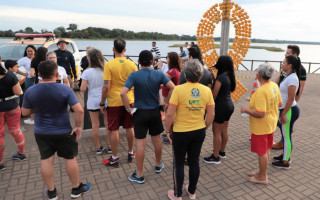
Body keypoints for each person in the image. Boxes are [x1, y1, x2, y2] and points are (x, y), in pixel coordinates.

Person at [21, 60, 91, 199]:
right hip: (63, 131)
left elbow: (24, 112)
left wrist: (37, 106)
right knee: (70, 158)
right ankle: (76, 188)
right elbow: (79, 110)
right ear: (57, 74)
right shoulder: (65, 89)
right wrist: (77, 126)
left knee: (46, 160)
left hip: (41, 132)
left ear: (39, 74)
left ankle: (52, 192)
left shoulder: (31, 90)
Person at [120, 50, 175, 184]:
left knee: (140, 143)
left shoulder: (134, 75)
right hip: (155, 112)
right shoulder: (158, 73)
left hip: (140, 113)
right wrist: (166, 102)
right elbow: (173, 87)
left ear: (138, 62)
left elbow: (123, 93)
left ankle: (139, 175)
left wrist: (129, 109)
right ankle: (157, 165)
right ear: (152, 62)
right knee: (156, 140)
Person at [165, 59, 214, 200]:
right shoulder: (206, 90)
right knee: (194, 162)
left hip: (180, 132)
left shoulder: (178, 89)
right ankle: (192, 192)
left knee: (179, 163)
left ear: (185, 74)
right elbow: (211, 114)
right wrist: (204, 127)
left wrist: (167, 131)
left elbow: (169, 114)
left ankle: (177, 194)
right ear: (200, 75)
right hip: (198, 131)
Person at [241, 63, 282, 184]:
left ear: (258, 75)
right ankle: (261, 172)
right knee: (267, 148)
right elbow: (279, 104)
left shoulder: (260, 91)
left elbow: (260, 113)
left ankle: (262, 177)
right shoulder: (274, 85)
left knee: (261, 152)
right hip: (271, 123)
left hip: (262, 126)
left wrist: (246, 110)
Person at [101, 39, 137, 167]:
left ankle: (115, 158)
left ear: (113, 49)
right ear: (125, 50)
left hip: (114, 101)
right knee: (129, 127)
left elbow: (106, 87)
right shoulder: (132, 64)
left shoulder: (109, 65)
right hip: (129, 100)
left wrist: (101, 103)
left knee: (114, 129)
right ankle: (131, 153)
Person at [272, 45, 306, 149]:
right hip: (282, 103)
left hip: (289, 106)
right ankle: (283, 144)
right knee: (281, 125)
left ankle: (284, 150)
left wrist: (291, 105)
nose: (285, 55)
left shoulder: (299, 71)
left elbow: (300, 89)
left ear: (294, 55)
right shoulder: (286, 69)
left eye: (288, 53)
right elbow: (276, 83)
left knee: (286, 130)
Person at [204, 56, 235, 164]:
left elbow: (214, 94)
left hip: (221, 107)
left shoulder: (221, 77)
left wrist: (208, 106)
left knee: (216, 132)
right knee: (224, 130)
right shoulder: (229, 76)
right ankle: (221, 151)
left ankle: (215, 157)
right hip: (229, 106)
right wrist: (213, 76)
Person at [80, 48, 111, 155]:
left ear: (90, 59)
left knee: (95, 125)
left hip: (92, 100)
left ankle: (98, 147)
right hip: (105, 99)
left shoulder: (86, 72)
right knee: (108, 124)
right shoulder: (106, 69)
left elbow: (83, 88)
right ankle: (110, 146)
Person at [272, 56, 301, 169]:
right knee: (285, 135)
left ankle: (285, 162)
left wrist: (283, 114)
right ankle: (285, 156)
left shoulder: (293, 78)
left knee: (286, 136)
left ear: (289, 65)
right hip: (286, 109)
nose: (282, 64)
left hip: (289, 110)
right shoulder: (287, 76)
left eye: (284, 63)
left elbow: (290, 98)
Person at [0, 63, 25, 171]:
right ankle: (21, 153)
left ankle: (0, 163)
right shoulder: (10, 75)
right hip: (12, 107)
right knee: (16, 130)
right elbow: (18, 92)